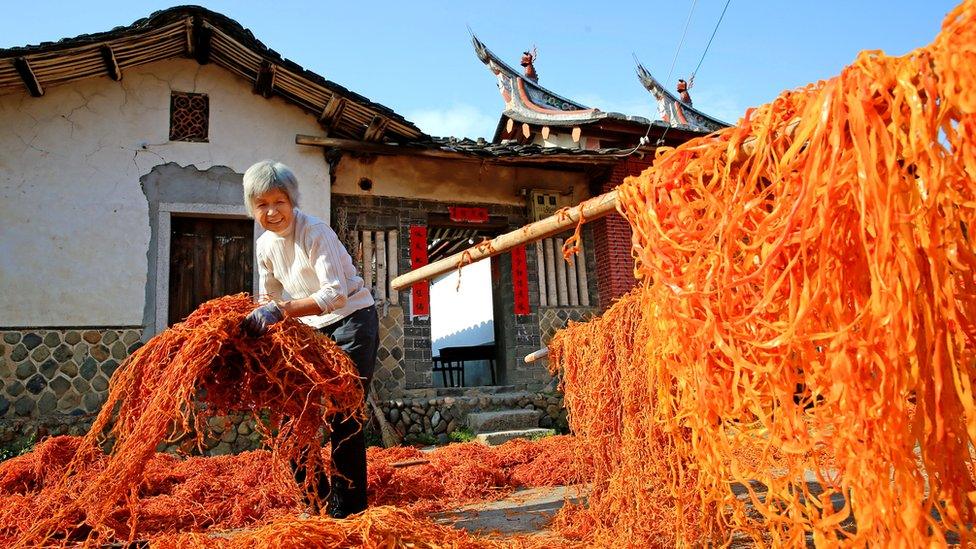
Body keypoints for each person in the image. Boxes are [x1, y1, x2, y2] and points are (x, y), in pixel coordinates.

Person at [239, 160, 378, 519]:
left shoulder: (315, 232)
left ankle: (348, 512)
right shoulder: (265, 246)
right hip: (310, 329)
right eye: (261, 205)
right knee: (292, 420)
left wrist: (280, 311)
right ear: (252, 208)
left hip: (352, 323)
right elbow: (267, 298)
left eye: (279, 201)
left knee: (344, 416)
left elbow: (336, 295)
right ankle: (316, 499)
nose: (272, 212)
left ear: (293, 200)